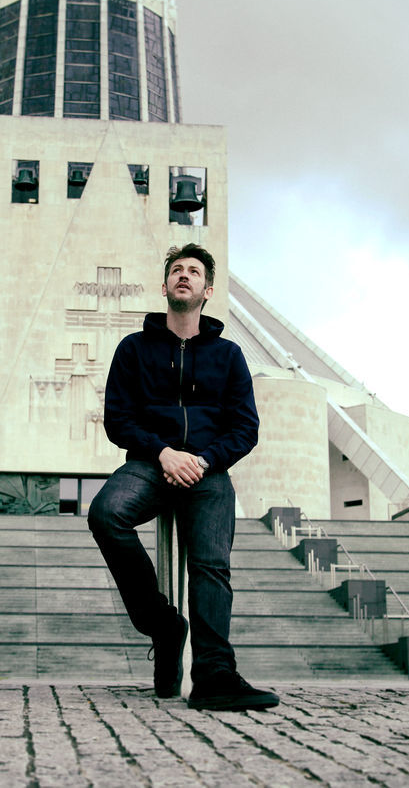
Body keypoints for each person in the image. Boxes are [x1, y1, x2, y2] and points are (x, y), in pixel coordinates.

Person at [88, 243, 278, 711]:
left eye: (194, 271)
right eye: (177, 269)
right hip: (150, 464)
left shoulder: (229, 356)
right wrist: (165, 452)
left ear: (207, 289)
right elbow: (118, 419)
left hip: (208, 471)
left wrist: (204, 460)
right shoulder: (133, 348)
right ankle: (164, 625)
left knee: (211, 562)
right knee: (105, 513)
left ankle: (214, 673)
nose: (184, 275)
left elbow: (245, 429)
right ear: (165, 285)